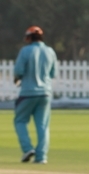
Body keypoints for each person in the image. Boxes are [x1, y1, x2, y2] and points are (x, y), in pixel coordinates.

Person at [13, 26, 57, 164]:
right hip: (45, 93)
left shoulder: (26, 51)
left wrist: (17, 79)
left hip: (27, 92)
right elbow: (52, 73)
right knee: (43, 125)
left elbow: (19, 70)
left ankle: (27, 148)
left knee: (20, 121)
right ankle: (41, 157)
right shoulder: (50, 51)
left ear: (30, 37)